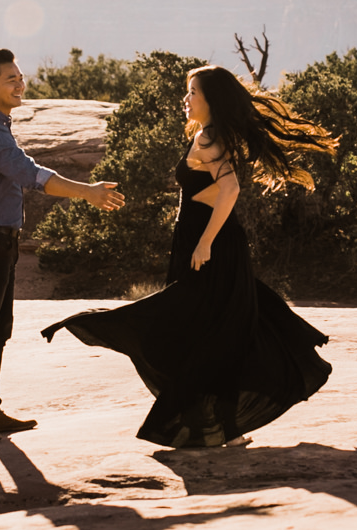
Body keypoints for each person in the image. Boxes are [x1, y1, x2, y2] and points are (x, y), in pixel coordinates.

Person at [42, 64, 337, 448]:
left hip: (209, 247)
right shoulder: (207, 135)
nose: (186, 99)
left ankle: (213, 423)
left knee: (203, 329)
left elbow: (229, 190)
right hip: (202, 244)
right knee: (211, 330)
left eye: (193, 92)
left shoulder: (211, 139)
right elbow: (214, 190)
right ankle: (222, 428)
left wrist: (205, 242)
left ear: (211, 99)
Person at [0, 47, 124, 449]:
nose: (20, 84)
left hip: (0, 242)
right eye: (11, 80)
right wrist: (88, 193)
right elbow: (33, 175)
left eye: (20, 77)